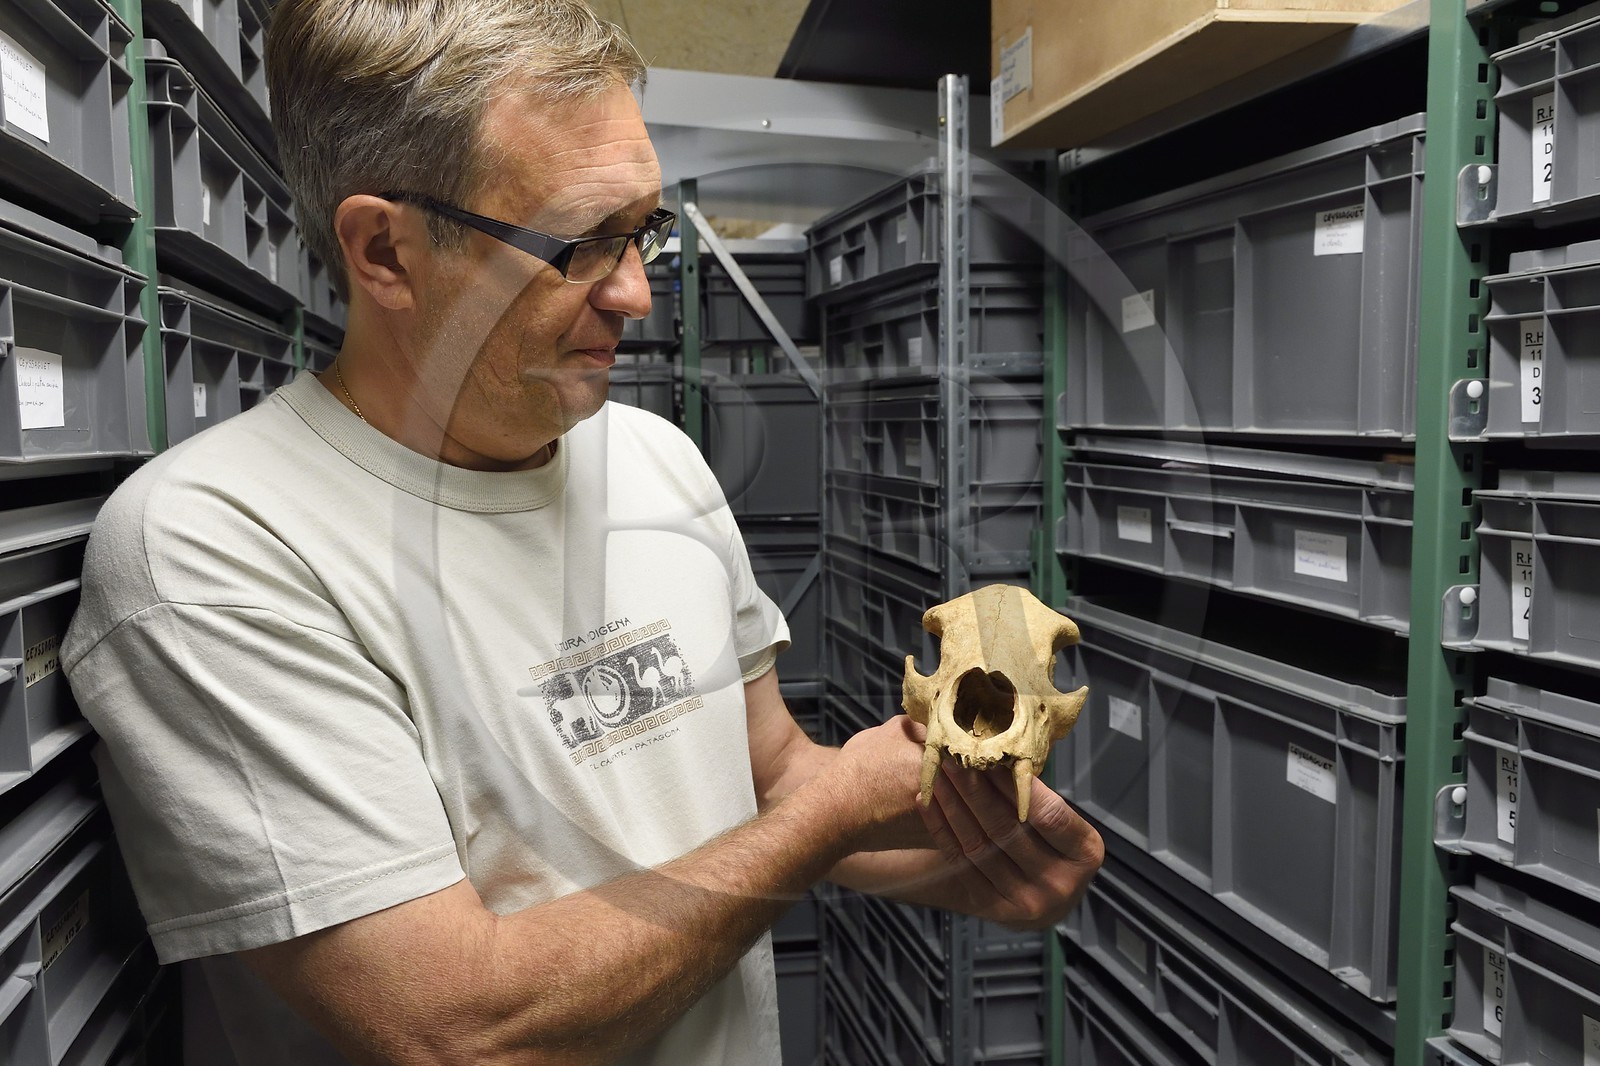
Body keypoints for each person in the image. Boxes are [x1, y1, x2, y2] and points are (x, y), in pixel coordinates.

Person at [61, 0, 1103, 1062]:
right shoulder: (213, 552)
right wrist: (827, 821)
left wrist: (940, 850)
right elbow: (461, 1028)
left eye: (641, 230)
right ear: (385, 250)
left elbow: (772, 779)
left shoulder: (654, 459)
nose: (638, 293)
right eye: (579, 245)